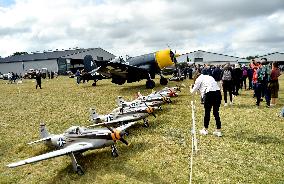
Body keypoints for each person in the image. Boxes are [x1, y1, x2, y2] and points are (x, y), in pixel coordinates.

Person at [190, 72, 222, 137]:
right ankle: (219, 131)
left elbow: (193, 91)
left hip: (209, 94)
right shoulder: (209, 76)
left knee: (207, 112)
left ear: (196, 77)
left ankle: (205, 129)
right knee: (216, 112)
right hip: (218, 93)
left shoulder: (198, 79)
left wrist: (190, 88)